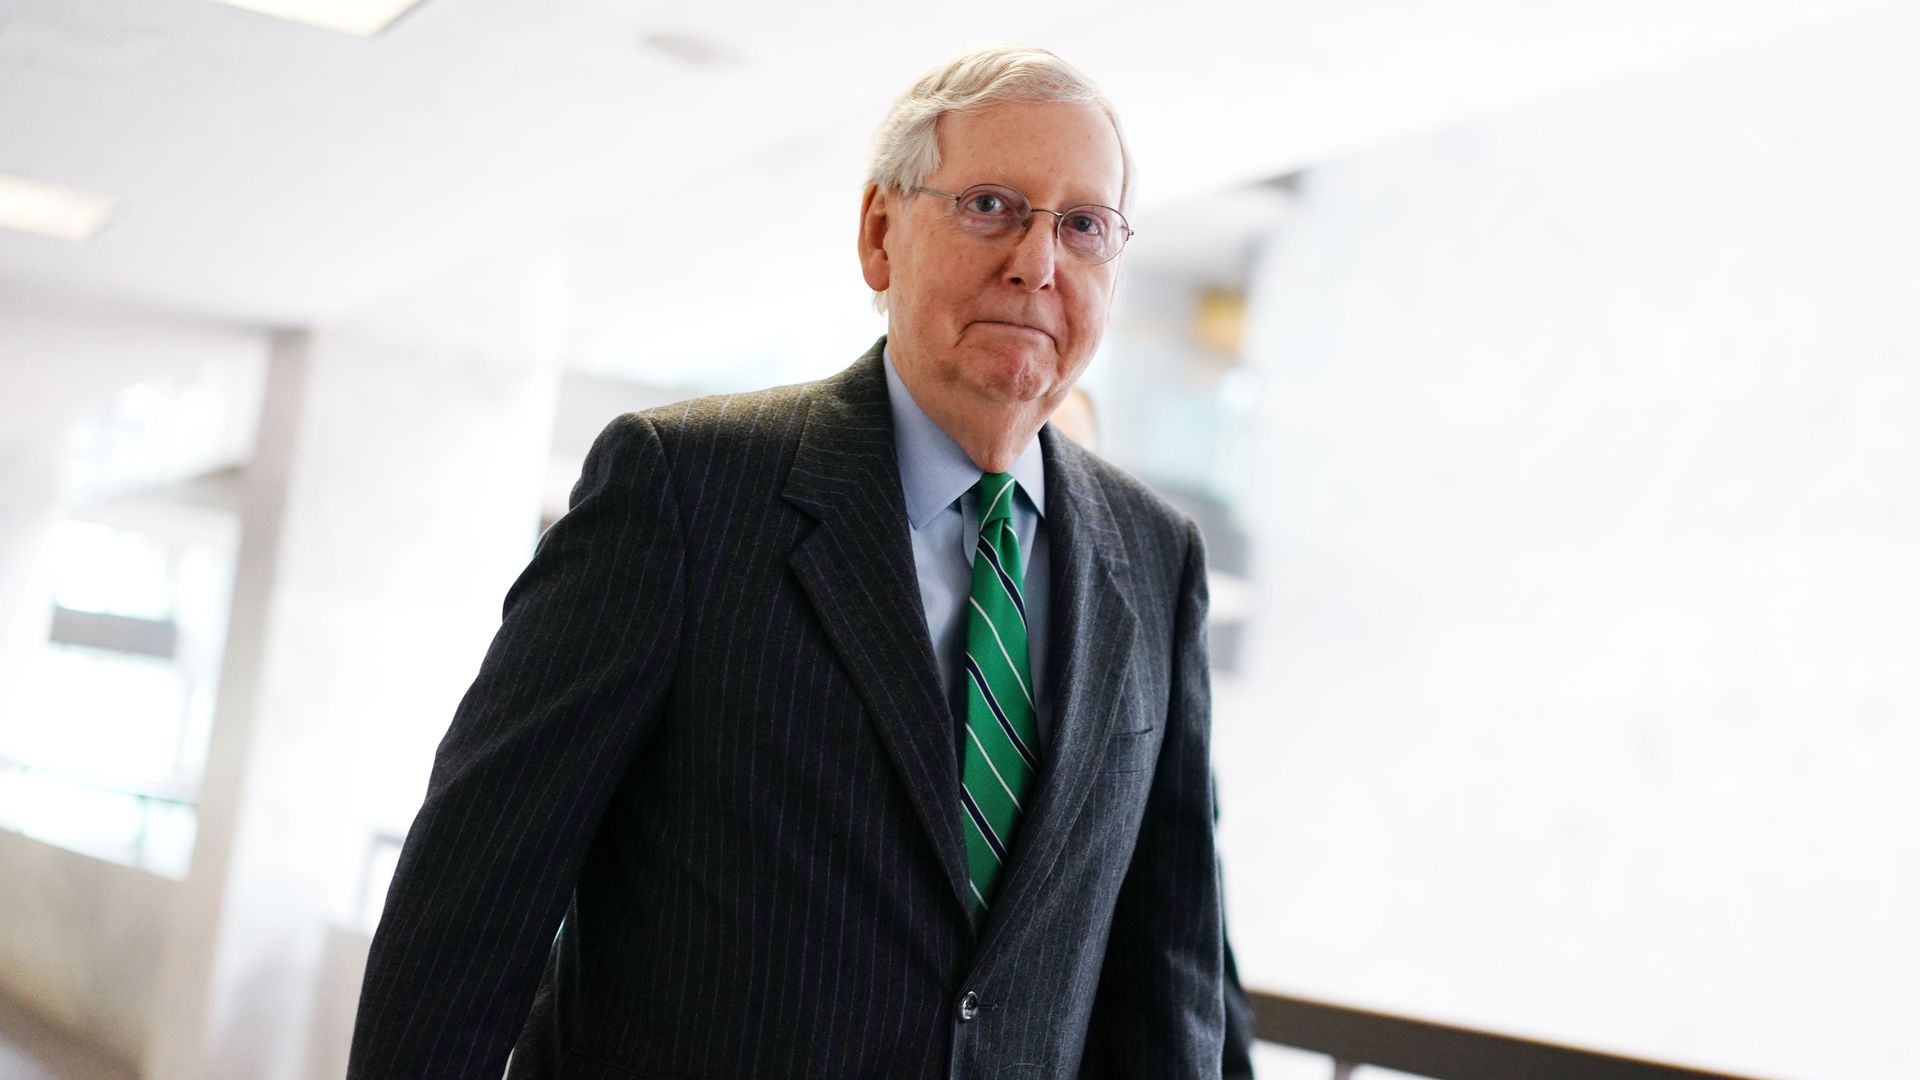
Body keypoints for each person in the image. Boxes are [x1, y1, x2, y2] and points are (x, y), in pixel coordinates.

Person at [349, 45, 1225, 1079]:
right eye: (990, 206)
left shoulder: (1155, 557)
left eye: (1083, 226)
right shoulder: (683, 488)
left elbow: (1170, 967)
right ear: (880, 234)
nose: (1037, 263)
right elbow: (471, 903)